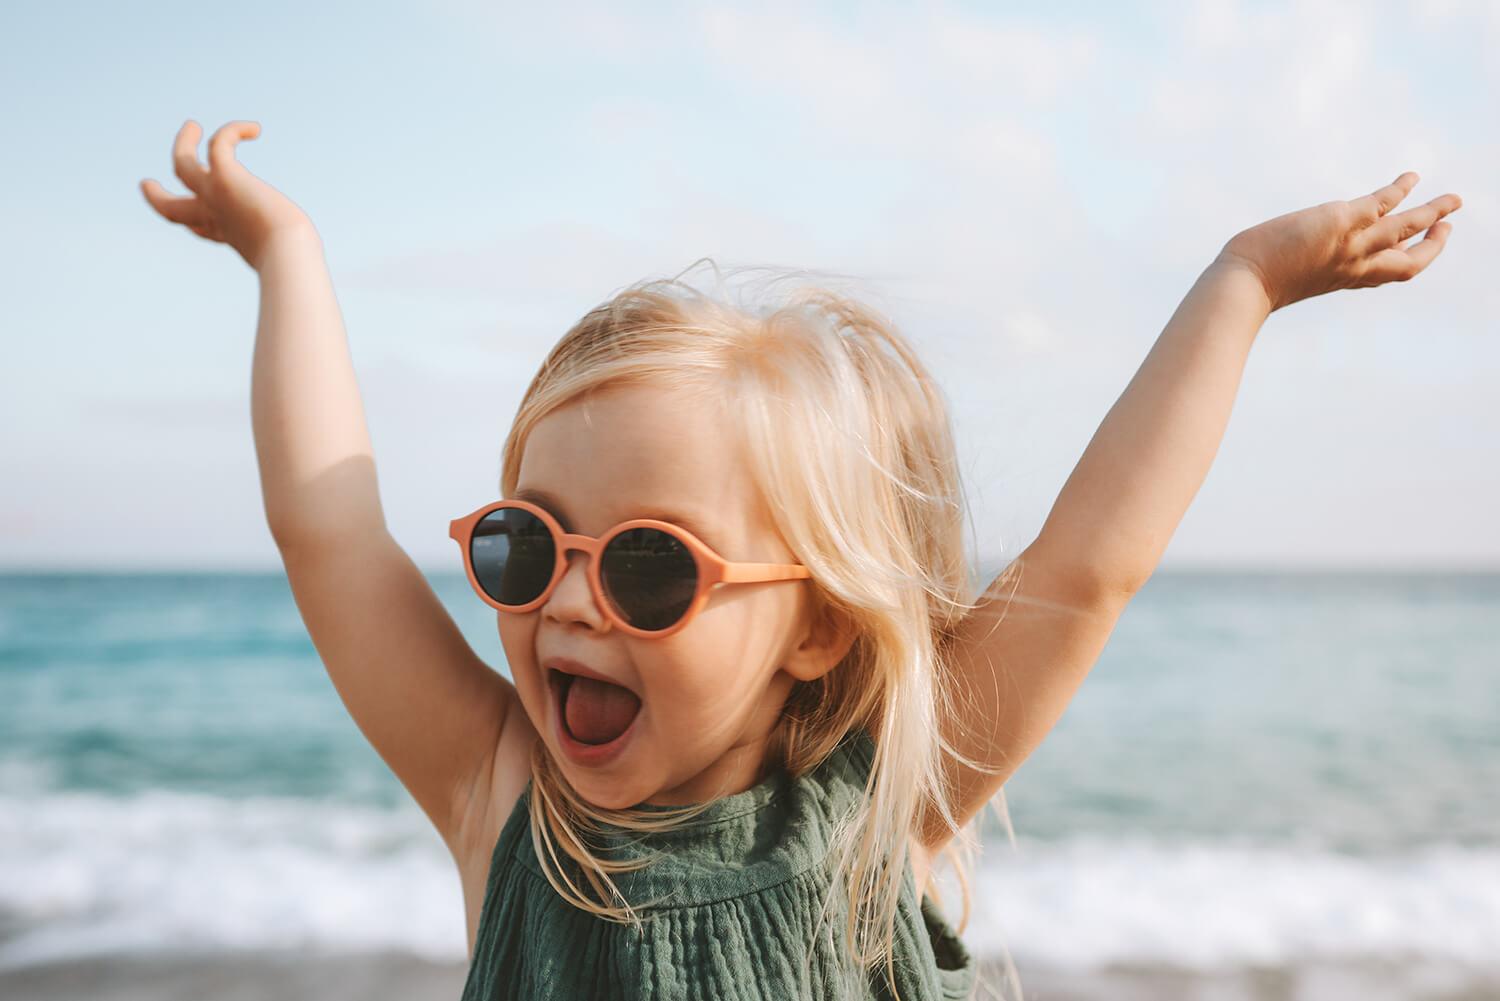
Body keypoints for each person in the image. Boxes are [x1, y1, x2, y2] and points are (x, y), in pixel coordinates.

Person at [141, 119, 1461, 1000]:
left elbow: (1088, 565)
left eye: (653, 568)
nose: (572, 603)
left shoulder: (873, 814)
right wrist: (287, 255)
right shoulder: (506, 809)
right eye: (525, 543)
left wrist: (1243, 284)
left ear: (818, 626)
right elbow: (329, 532)